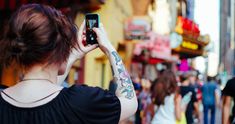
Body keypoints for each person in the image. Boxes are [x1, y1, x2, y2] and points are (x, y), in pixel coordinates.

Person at [0, 4, 137, 124]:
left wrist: (72, 55)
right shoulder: (80, 102)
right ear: (58, 50)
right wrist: (108, 47)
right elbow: (129, 102)